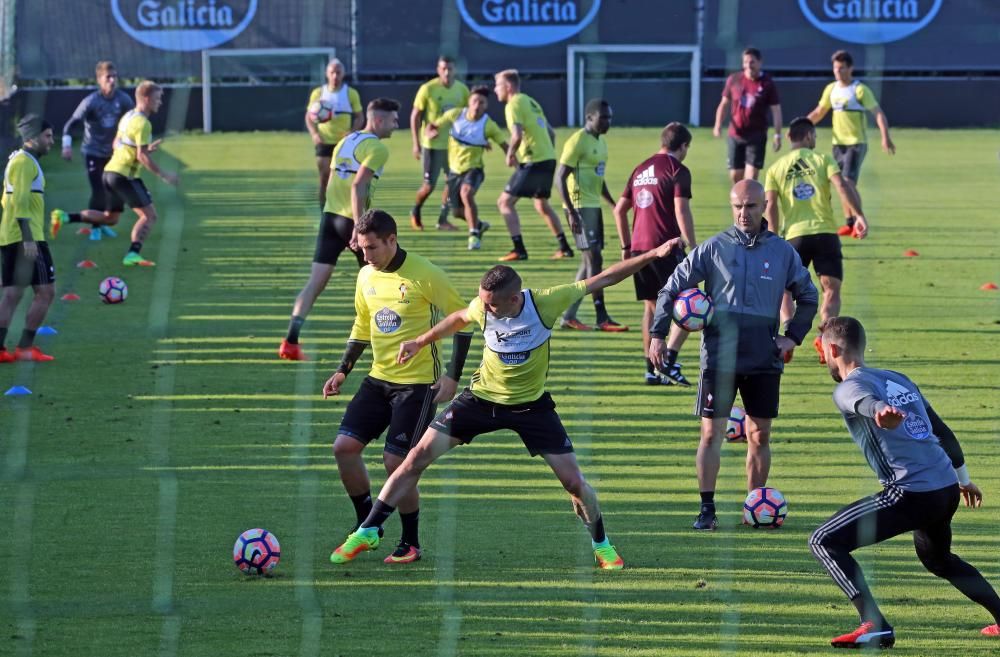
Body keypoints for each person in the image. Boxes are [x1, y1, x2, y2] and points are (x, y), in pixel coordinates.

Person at [329, 238, 686, 569]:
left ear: (514, 300)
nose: (483, 309)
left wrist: (653, 255)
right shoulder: (483, 306)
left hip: (531, 408)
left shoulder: (545, 302)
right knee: (413, 459)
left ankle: (602, 544)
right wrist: (420, 341)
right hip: (480, 401)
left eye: (491, 304)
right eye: (482, 302)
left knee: (574, 483)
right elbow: (458, 318)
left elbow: (605, 278)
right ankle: (370, 530)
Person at [811, 316, 1000, 649]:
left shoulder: (847, 386)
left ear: (834, 349)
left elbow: (865, 403)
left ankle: (875, 625)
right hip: (944, 486)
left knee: (824, 540)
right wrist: (964, 480)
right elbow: (942, 431)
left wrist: (880, 410)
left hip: (912, 493)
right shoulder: (898, 378)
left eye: (822, 350)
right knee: (939, 559)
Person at [649, 180, 818, 531]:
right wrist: (657, 334)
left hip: (763, 358)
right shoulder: (713, 248)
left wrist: (793, 338)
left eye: (751, 206)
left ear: (764, 206)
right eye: (738, 206)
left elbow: (809, 296)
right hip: (719, 358)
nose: (744, 213)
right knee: (711, 435)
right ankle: (707, 509)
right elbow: (671, 288)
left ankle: (754, 505)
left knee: (760, 435)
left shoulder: (783, 252)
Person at [322, 209, 472, 564]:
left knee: (396, 462)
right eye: (361, 248)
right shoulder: (365, 276)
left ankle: (410, 543)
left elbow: (464, 320)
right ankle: (367, 525)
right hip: (377, 380)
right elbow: (363, 323)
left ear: (392, 239)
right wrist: (344, 369)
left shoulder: (426, 275)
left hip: (417, 387)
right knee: (343, 448)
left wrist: (451, 375)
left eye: (371, 248)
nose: (365, 255)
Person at [279, 98, 401, 361]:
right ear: (378, 120)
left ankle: (290, 342)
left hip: (330, 217)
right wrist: (359, 229)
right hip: (352, 221)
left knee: (315, 283)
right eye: (393, 120)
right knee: (385, 278)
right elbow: (358, 187)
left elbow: (332, 180)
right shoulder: (377, 148)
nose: (396, 125)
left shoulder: (346, 140)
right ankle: (390, 345)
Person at [764, 117, 867, 364]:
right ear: (809, 136)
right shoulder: (823, 160)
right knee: (831, 290)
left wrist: (774, 236)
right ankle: (824, 339)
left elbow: (771, 205)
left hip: (794, 237)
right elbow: (842, 186)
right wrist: (857, 215)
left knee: (785, 291)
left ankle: (789, 336)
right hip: (825, 233)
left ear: (789, 138)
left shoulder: (776, 168)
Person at [613, 122, 698, 385]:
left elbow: (619, 210)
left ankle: (651, 368)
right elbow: (680, 210)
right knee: (691, 302)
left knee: (651, 306)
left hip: (640, 248)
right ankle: (669, 360)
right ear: (683, 146)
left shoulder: (640, 169)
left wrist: (627, 248)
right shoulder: (678, 170)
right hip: (666, 247)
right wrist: (694, 248)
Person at [69, 80, 179, 267]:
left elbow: (116, 144)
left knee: (110, 218)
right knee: (149, 216)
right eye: (157, 98)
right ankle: (132, 254)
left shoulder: (128, 116)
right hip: (124, 176)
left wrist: (142, 150)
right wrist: (164, 175)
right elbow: (141, 156)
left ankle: (65, 217)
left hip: (110, 172)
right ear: (146, 98)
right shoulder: (143, 123)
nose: (160, 102)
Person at [807, 50, 895, 237]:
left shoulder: (859, 90)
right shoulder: (831, 89)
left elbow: (878, 113)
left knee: (848, 181)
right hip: (838, 144)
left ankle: (859, 222)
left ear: (850, 68)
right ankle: (849, 223)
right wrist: (801, 127)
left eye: (842, 68)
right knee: (841, 185)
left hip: (857, 143)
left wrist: (885, 136)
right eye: (835, 68)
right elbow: (819, 112)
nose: (838, 71)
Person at [556, 99, 625, 332]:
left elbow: (599, 178)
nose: (608, 122)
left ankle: (569, 316)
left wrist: (614, 204)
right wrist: (571, 212)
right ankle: (601, 316)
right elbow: (560, 176)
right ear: (589, 118)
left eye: (610, 118)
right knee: (594, 260)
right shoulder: (577, 141)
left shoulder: (601, 143)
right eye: (603, 117)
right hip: (578, 208)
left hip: (593, 207)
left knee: (590, 263)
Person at [493, 69, 574, 262]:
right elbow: (551, 133)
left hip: (533, 161)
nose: (495, 90)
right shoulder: (531, 101)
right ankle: (564, 247)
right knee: (541, 204)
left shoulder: (513, 104)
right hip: (548, 159)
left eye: (498, 85)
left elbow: (517, 135)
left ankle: (518, 249)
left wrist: (511, 153)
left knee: (504, 202)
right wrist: (546, 154)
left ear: (508, 86)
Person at [54, 60, 133, 241]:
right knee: (98, 190)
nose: (112, 80)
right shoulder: (90, 101)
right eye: (108, 77)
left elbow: (132, 123)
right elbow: (70, 124)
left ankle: (104, 224)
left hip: (114, 153)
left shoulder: (124, 100)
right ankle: (95, 227)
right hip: (93, 152)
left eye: (114, 76)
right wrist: (66, 146)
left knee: (113, 190)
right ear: (99, 80)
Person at [0, 116, 58, 362]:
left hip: (11, 235)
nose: (51, 141)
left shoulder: (19, 159)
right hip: (27, 236)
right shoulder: (24, 162)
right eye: (47, 136)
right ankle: (25, 348)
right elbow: (20, 200)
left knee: (13, 294)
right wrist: (28, 239)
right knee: (46, 292)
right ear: (33, 137)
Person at [424, 86, 508, 250]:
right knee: (456, 212)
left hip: (474, 169)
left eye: (482, 102)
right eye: (475, 101)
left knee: (466, 193)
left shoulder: (488, 125)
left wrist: (512, 158)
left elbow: (504, 144)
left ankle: (474, 235)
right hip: (455, 170)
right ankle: (479, 225)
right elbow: (432, 125)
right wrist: (429, 133)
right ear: (469, 102)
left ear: (486, 106)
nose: (477, 105)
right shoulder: (456, 115)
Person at [409, 55, 469, 232]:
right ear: (438, 70)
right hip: (433, 146)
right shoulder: (428, 89)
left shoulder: (462, 90)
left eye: (450, 68)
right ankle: (415, 211)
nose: (447, 72)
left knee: (451, 184)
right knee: (429, 186)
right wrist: (416, 142)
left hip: (454, 147)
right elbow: (415, 115)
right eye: (443, 68)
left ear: (455, 70)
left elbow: (467, 116)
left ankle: (442, 220)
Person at [713, 47, 783, 184]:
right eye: (745, 62)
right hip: (735, 135)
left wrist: (777, 134)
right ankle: (739, 203)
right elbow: (724, 104)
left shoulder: (767, 83)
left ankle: (750, 203)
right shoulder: (734, 79)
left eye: (752, 62)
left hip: (757, 136)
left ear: (760, 62)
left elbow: (776, 110)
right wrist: (718, 124)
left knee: (751, 178)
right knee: (735, 175)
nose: (748, 65)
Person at [306, 58, 363, 208]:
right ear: (327, 74)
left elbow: (360, 117)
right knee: (324, 178)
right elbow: (309, 116)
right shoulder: (319, 93)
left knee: (345, 180)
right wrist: (314, 133)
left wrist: (352, 132)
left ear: (343, 73)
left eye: (338, 72)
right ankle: (323, 214)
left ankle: (342, 212)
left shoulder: (351, 93)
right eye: (332, 72)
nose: (335, 76)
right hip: (324, 142)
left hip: (344, 144)